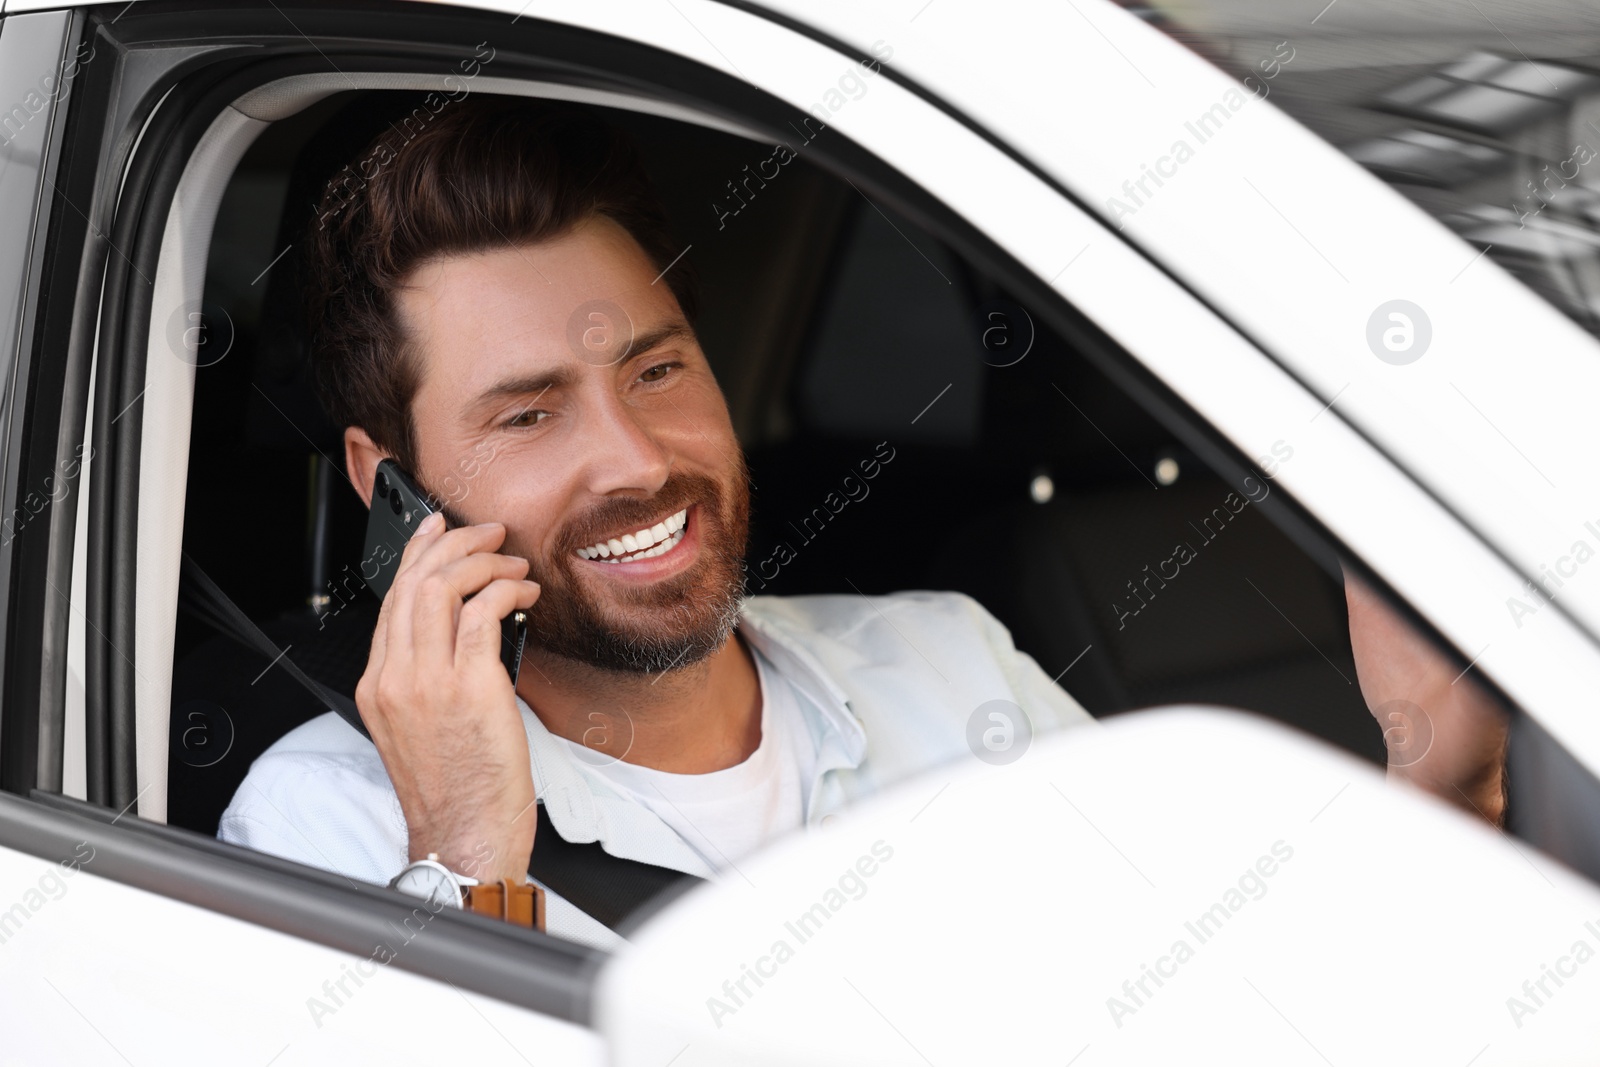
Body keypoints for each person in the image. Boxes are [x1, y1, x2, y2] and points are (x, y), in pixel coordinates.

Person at [218, 96, 1509, 949]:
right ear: (387, 483)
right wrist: (466, 867)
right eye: (528, 415)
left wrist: (1440, 793)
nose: (635, 458)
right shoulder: (322, 827)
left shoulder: (948, 661)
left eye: (658, 370)